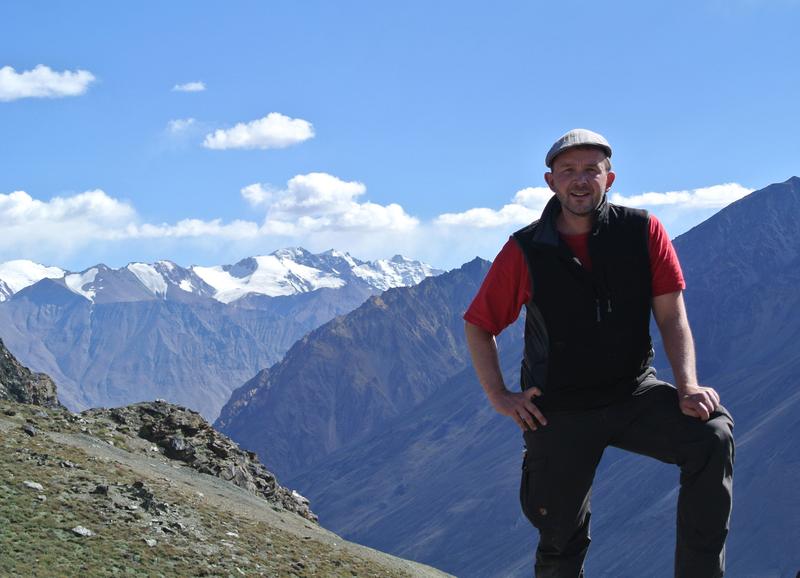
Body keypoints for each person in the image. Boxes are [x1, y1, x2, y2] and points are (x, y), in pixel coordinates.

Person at [464, 129, 734, 577]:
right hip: (558, 407)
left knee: (712, 435)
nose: (581, 180)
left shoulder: (643, 231)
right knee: (559, 536)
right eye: (569, 171)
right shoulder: (525, 250)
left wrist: (687, 386)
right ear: (551, 182)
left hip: (633, 391)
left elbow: (671, 316)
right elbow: (479, 325)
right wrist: (500, 397)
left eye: (592, 169)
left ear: (610, 178)